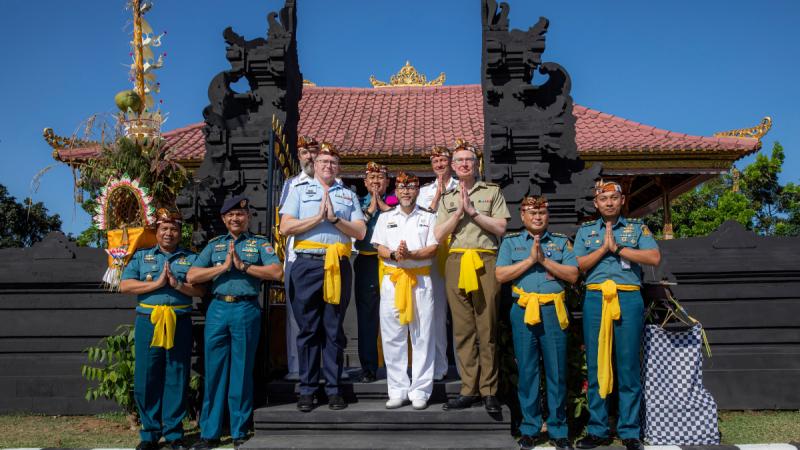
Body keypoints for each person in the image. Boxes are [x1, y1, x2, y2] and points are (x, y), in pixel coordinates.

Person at [186, 196, 283, 450]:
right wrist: (222, 268)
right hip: (218, 308)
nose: (235, 219)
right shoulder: (215, 246)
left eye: (240, 214)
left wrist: (244, 266)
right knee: (214, 371)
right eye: (230, 215)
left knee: (241, 371)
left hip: (245, 307)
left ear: (247, 217)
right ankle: (210, 433)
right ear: (223, 219)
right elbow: (193, 275)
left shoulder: (258, 244)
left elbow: (276, 272)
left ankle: (239, 430)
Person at [573, 180, 661, 450]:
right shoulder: (586, 231)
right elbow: (578, 265)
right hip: (597, 297)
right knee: (598, 364)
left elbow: (654, 257)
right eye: (604, 199)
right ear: (596, 203)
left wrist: (620, 249)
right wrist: (604, 249)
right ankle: (598, 429)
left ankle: (629, 430)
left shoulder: (636, 228)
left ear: (622, 201)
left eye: (614, 198)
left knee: (627, 365)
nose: (609, 202)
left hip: (628, 297)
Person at [279, 142, 367, 412]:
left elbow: (360, 232)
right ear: (314, 166)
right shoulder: (298, 190)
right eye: (323, 162)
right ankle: (307, 389)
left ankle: (333, 388)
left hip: (337, 264)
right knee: (307, 329)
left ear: (338, 167)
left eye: (333, 163)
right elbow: (285, 227)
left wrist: (336, 220)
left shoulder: (348, 196)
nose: (328, 166)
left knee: (332, 328)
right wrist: (318, 219)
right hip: (307, 264)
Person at [495, 196, 578, 450]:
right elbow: (500, 275)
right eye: (532, 212)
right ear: (523, 216)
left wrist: (543, 260)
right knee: (528, 372)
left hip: (553, 311)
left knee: (556, 372)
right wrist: (530, 260)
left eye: (542, 212)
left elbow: (573, 275)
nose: (537, 217)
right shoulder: (511, 242)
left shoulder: (561, 242)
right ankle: (530, 428)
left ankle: (558, 429)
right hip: (523, 310)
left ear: (547, 215)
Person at [434, 139, 510, 413]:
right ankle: (469, 389)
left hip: (485, 259)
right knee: (463, 330)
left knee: (486, 328)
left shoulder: (491, 192)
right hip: (456, 260)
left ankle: (489, 390)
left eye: (469, 159)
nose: (465, 164)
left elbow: (500, 227)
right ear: (453, 167)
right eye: (459, 161)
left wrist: (474, 212)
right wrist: (458, 215)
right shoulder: (447, 198)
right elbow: (438, 235)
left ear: (476, 164)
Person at [121, 208, 205, 450]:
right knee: (147, 376)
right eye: (164, 229)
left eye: (174, 229)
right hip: (149, 321)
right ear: (156, 232)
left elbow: (200, 290)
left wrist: (177, 284)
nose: (169, 233)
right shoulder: (141, 256)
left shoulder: (191, 258)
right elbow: (125, 285)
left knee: (176, 375)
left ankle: (174, 433)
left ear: (180, 232)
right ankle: (149, 434)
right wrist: (157, 283)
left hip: (179, 321)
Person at [371, 172, 439, 410]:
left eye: (411, 187)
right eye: (402, 188)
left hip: (419, 279)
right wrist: (393, 254)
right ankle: (397, 389)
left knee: (422, 336)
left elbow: (432, 248)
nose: (406, 192)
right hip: (393, 280)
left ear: (417, 190)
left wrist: (411, 255)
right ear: (396, 192)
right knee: (392, 337)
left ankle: (420, 389)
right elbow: (379, 247)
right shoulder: (386, 217)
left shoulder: (429, 217)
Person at [278, 136, 321, 381]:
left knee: (325, 314)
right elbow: (285, 222)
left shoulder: (332, 183)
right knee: (297, 314)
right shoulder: (291, 184)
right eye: (304, 152)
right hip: (297, 255)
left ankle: (323, 365)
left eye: (313, 151)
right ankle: (296, 366)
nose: (309, 156)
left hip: (325, 254)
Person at [416, 145, 458, 381]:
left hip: (457, 249)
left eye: (443, 160)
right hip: (435, 251)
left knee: (461, 312)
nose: (440, 165)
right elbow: (422, 219)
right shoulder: (424, 192)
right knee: (437, 311)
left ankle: (464, 369)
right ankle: (440, 366)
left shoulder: (462, 186)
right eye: (435, 161)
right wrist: (437, 197)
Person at [353, 161, 395, 382]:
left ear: (388, 182)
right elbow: (355, 234)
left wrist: (386, 208)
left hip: (393, 264)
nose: (376, 182)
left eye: (381, 178)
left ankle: (396, 366)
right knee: (367, 316)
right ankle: (368, 367)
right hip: (367, 262)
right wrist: (369, 210)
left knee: (395, 314)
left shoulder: (398, 203)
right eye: (372, 178)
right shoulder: (356, 204)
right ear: (365, 182)